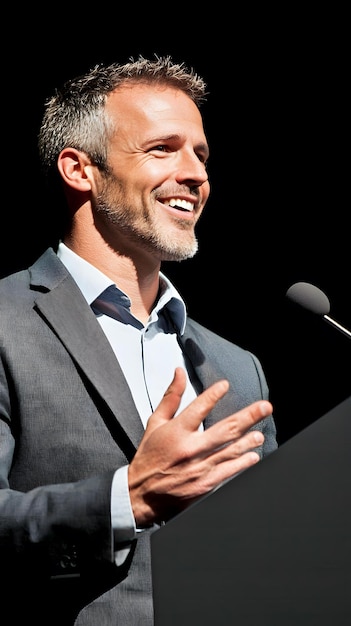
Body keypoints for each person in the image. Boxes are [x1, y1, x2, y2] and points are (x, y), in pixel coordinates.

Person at [0, 55, 278, 625]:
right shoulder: (5, 322)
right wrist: (127, 500)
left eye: (200, 154)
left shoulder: (235, 365)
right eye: (162, 149)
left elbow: (274, 554)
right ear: (81, 170)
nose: (196, 174)